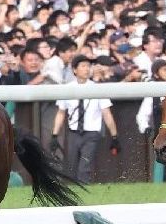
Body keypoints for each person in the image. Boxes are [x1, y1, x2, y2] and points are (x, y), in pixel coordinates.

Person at [50, 55, 120, 183]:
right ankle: (72, 190)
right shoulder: (67, 88)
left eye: (88, 66)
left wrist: (114, 136)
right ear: (74, 70)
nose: (87, 69)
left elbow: (107, 113)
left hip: (91, 133)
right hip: (73, 133)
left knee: (84, 167)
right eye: (83, 66)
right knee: (70, 166)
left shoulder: (98, 88)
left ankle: (84, 188)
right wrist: (54, 135)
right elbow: (61, 113)